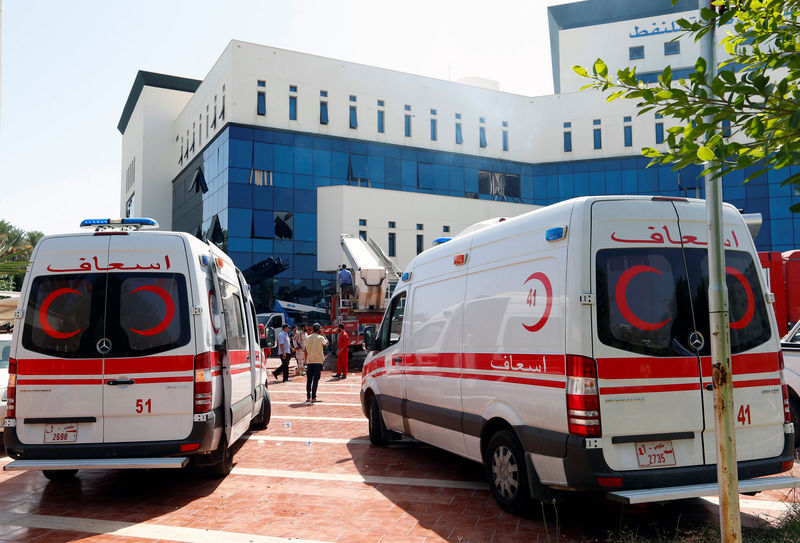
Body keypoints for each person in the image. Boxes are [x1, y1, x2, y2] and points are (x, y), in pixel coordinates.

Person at [304, 323, 329, 402]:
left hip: (309, 361)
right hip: (317, 361)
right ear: (319, 330)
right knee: (315, 380)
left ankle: (308, 397)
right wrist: (323, 334)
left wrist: (306, 360)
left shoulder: (307, 338)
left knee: (309, 380)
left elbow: (305, 350)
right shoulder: (320, 337)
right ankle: (313, 397)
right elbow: (327, 343)